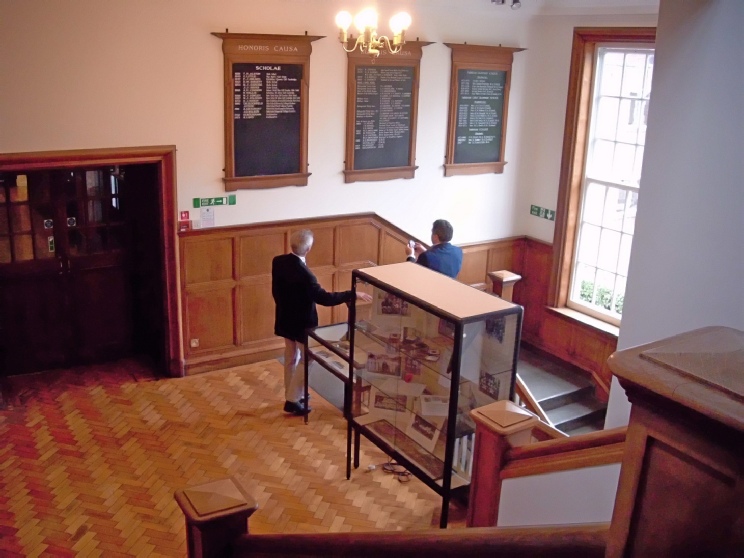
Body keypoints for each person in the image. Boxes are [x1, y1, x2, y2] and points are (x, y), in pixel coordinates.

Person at [272, 229, 372, 416]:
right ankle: (293, 400)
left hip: (284, 318)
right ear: (308, 248)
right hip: (302, 324)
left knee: (291, 356)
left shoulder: (278, 262)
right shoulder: (306, 275)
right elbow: (324, 298)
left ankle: (292, 392)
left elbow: (277, 291)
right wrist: (352, 294)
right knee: (306, 360)